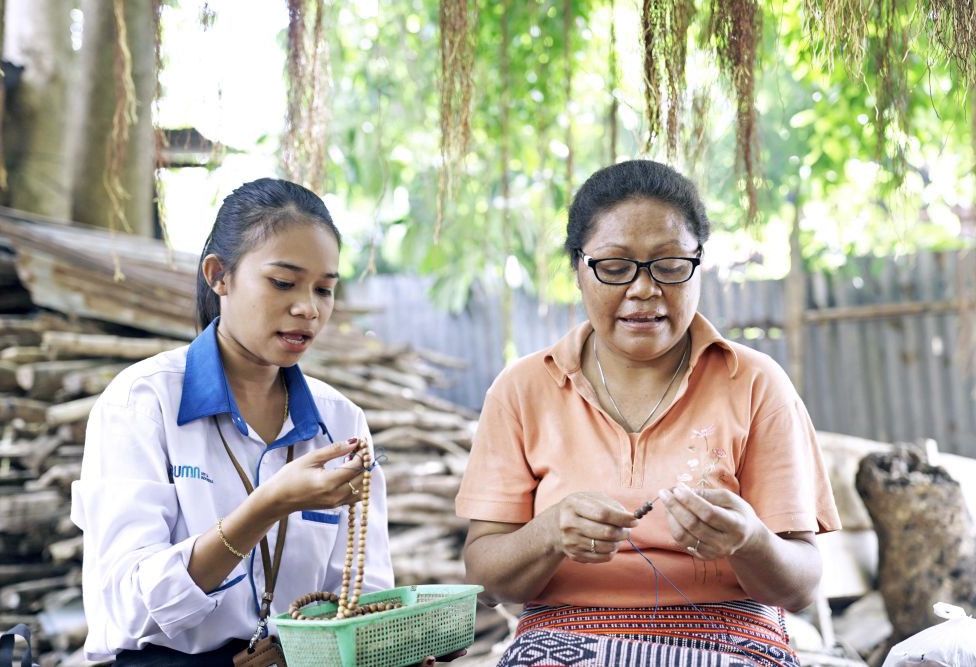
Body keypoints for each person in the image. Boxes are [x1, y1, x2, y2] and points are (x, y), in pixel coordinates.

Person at [456, 160, 841, 666]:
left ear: (699, 263)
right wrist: (547, 534)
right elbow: (484, 578)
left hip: (732, 643)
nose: (643, 289)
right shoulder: (523, 389)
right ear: (578, 269)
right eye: (614, 268)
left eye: (670, 265)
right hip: (559, 647)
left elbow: (800, 586)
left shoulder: (755, 383)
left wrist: (750, 540)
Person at [71, 178, 394, 664]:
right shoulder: (142, 403)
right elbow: (129, 606)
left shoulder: (340, 421)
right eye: (283, 282)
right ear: (219, 276)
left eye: (324, 289)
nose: (308, 307)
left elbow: (363, 596)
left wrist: (300, 653)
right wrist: (265, 507)